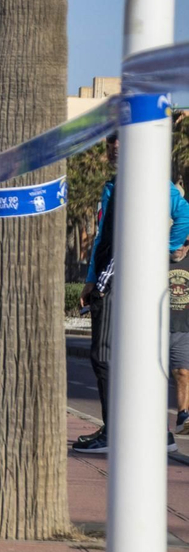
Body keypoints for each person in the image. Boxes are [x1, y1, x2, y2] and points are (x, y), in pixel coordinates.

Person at [74, 132, 189, 454]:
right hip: (108, 278)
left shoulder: (150, 181)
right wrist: (90, 278)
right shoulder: (113, 185)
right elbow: (101, 238)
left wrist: (162, 248)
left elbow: (185, 214)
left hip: (124, 281)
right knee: (130, 357)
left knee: (103, 356)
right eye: (111, 142)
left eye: (120, 141)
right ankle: (160, 433)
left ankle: (113, 433)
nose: (113, 147)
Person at [172, 243, 189, 436]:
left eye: (185, 243)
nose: (179, 247)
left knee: (183, 372)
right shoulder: (156, 262)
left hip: (182, 327)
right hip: (156, 328)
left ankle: (183, 415)